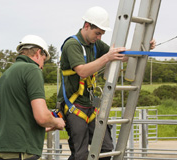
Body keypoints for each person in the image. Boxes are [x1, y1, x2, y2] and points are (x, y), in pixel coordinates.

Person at [57, 6, 156, 160]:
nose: (99, 38)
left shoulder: (96, 45)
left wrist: (142, 49)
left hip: (91, 106)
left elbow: (119, 56)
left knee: (106, 148)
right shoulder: (72, 45)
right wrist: (107, 57)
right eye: (97, 33)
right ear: (86, 26)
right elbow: (82, 71)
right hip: (74, 106)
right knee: (80, 154)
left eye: (102, 34)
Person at [0, 35, 65, 160]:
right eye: (43, 60)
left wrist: (45, 127)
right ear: (38, 53)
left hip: (0, 152)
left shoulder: (5, 76)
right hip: (22, 152)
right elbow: (42, 117)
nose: (42, 66)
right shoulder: (32, 69)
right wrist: (57, 122)